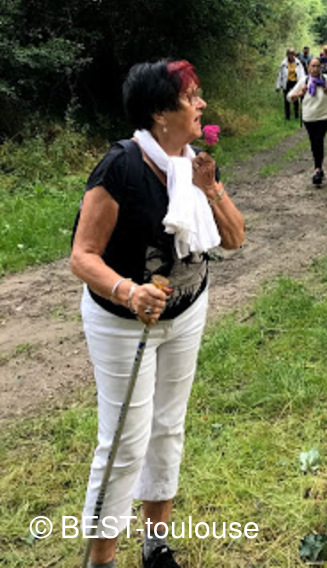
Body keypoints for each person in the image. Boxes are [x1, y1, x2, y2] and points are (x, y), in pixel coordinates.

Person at [70, 59, 245, 568]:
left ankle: (156, 545)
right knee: (124, 442)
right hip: (123, 321)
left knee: (168, 427)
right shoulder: (120, 167)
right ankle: (102, 559)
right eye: (191, 97)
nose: (202, 104)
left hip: (186, 312)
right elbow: (82, 256)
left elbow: (234, 238)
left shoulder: (195, 165)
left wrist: (211, 188)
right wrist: (129, 292)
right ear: (159, 113)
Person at [289, 55, 327, 186]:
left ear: (321, 67)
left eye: (318, 66)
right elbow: (290, 97)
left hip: (323, 116)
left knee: (319, 140)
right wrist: (300, 93)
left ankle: (317, 169)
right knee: (314, 142)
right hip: (309, 117)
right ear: (308, 68)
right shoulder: (304, 81)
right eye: (313, 66)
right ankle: (319, 168)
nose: (315, 68)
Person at [275, 48, 306, 121]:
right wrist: (278, 86)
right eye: (290, 54)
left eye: (292, 54)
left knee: (295, 99)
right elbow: (280, 75)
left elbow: (302, 73)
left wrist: (303, 83)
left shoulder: (298, 63)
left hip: (295, 82)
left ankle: (296, 115)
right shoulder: (283, 63)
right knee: (286, 99)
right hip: (287, 82)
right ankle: (287, 117)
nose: (291, 55)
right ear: (287, 55)